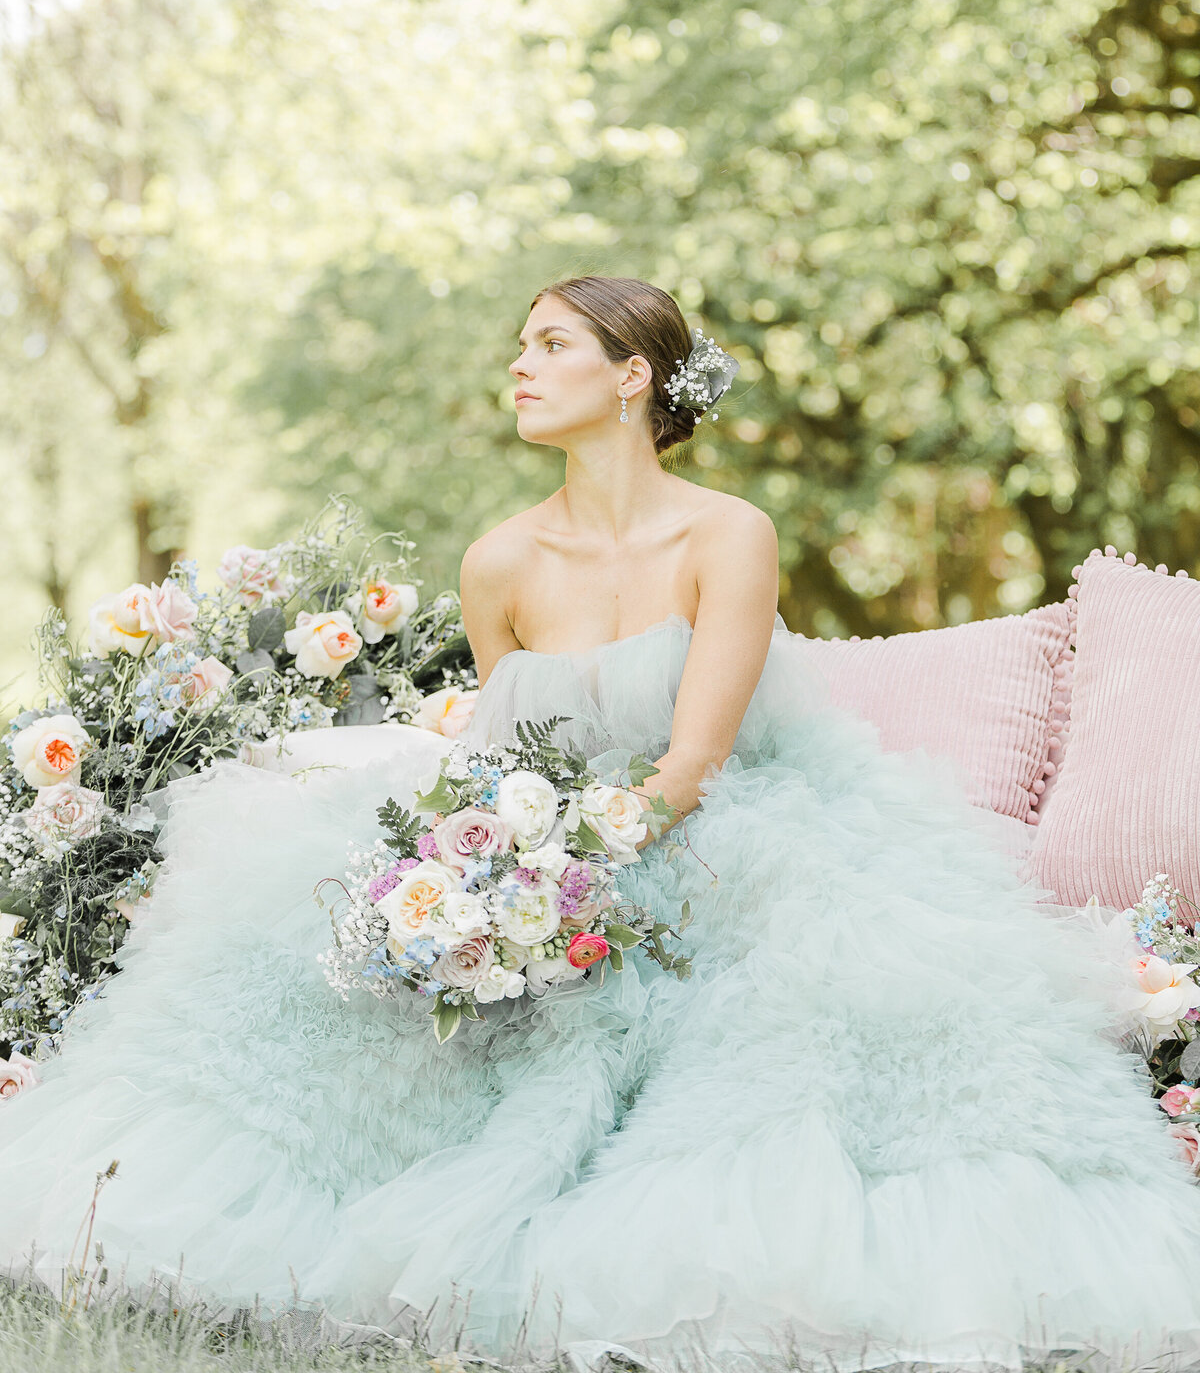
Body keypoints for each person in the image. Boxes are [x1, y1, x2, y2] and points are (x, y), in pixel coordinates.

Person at [3, 272, 1200, 1373]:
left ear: (633, 377)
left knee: (822, 1003)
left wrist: (566, 867)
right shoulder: (500, 561)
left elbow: (697, 755)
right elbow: (498, 753)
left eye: (552, 343)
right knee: (299, 952)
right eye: (520, 346)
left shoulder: (726, 534)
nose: (520, 366)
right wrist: (475, 876)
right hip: (533, 839)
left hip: (724, 831)